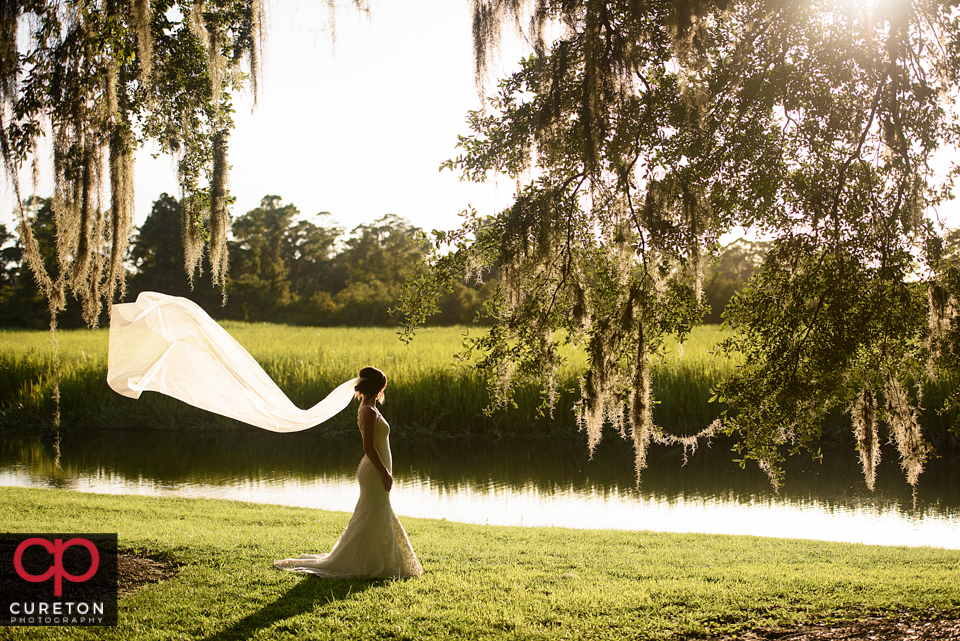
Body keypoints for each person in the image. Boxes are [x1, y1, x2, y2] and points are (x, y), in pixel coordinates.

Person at [274, 367, 423, 579]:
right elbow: (369, 447)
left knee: (374, 514)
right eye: (382, 387)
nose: (383, 391)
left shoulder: (367, 407)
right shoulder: (369, 411)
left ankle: (377, 557)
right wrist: (384, 473)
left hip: (374, 470)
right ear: (377, 388)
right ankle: (369, 561)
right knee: (375, 512)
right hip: (373, 471)